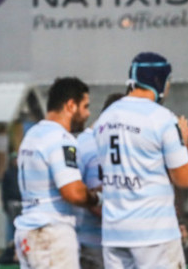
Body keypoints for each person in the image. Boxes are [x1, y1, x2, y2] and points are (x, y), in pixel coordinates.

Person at [93, 52, 188, 269]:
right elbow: (184, 179)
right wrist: (185, 143)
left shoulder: (105, 118)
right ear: (160, 81)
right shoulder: (162, 118)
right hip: (154, 234)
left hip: (114, 233)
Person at [14, 77, 101, 269]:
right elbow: (74, 193)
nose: (87, 114)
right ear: (71, 105)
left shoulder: (33, 135)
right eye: (85, 106)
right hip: (52, 234)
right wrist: (98, 198)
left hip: (28, 232)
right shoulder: (61, 139)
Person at [76, 93, 122, 269]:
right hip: (95, 244)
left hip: (103, 242)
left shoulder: (88, 140)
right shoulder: (91, 144)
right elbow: (94, 201)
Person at [1, 152, 21, 247]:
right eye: (14, 160)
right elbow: (4, 190)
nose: (16, 161)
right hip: (11, 202)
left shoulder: (23, 172)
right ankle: (10, 246)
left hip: (22, 201)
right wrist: (5, 204)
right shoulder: (8, 173)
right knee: (11, 225)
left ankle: (20, 245)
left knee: (21, 225)